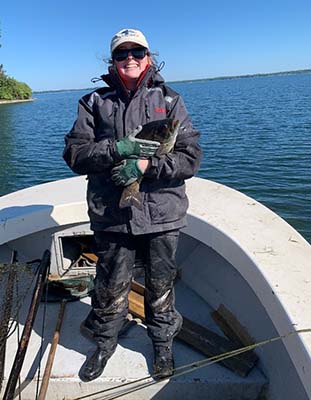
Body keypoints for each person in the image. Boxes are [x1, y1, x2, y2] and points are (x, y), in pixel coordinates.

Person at [63, 28, 202, 382]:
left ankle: (162, 343)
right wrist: (117, 149)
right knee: (109, 286)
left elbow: (190, 158)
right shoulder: (93, 102)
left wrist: (146, 165)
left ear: (148, 58)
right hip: (111, 214)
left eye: (136, 52)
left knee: (161, 286)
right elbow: (75, 154)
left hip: (162, 214)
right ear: (112, 62)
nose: (130, 59)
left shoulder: (170, 101)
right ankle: (105, 343)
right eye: (121, 54)